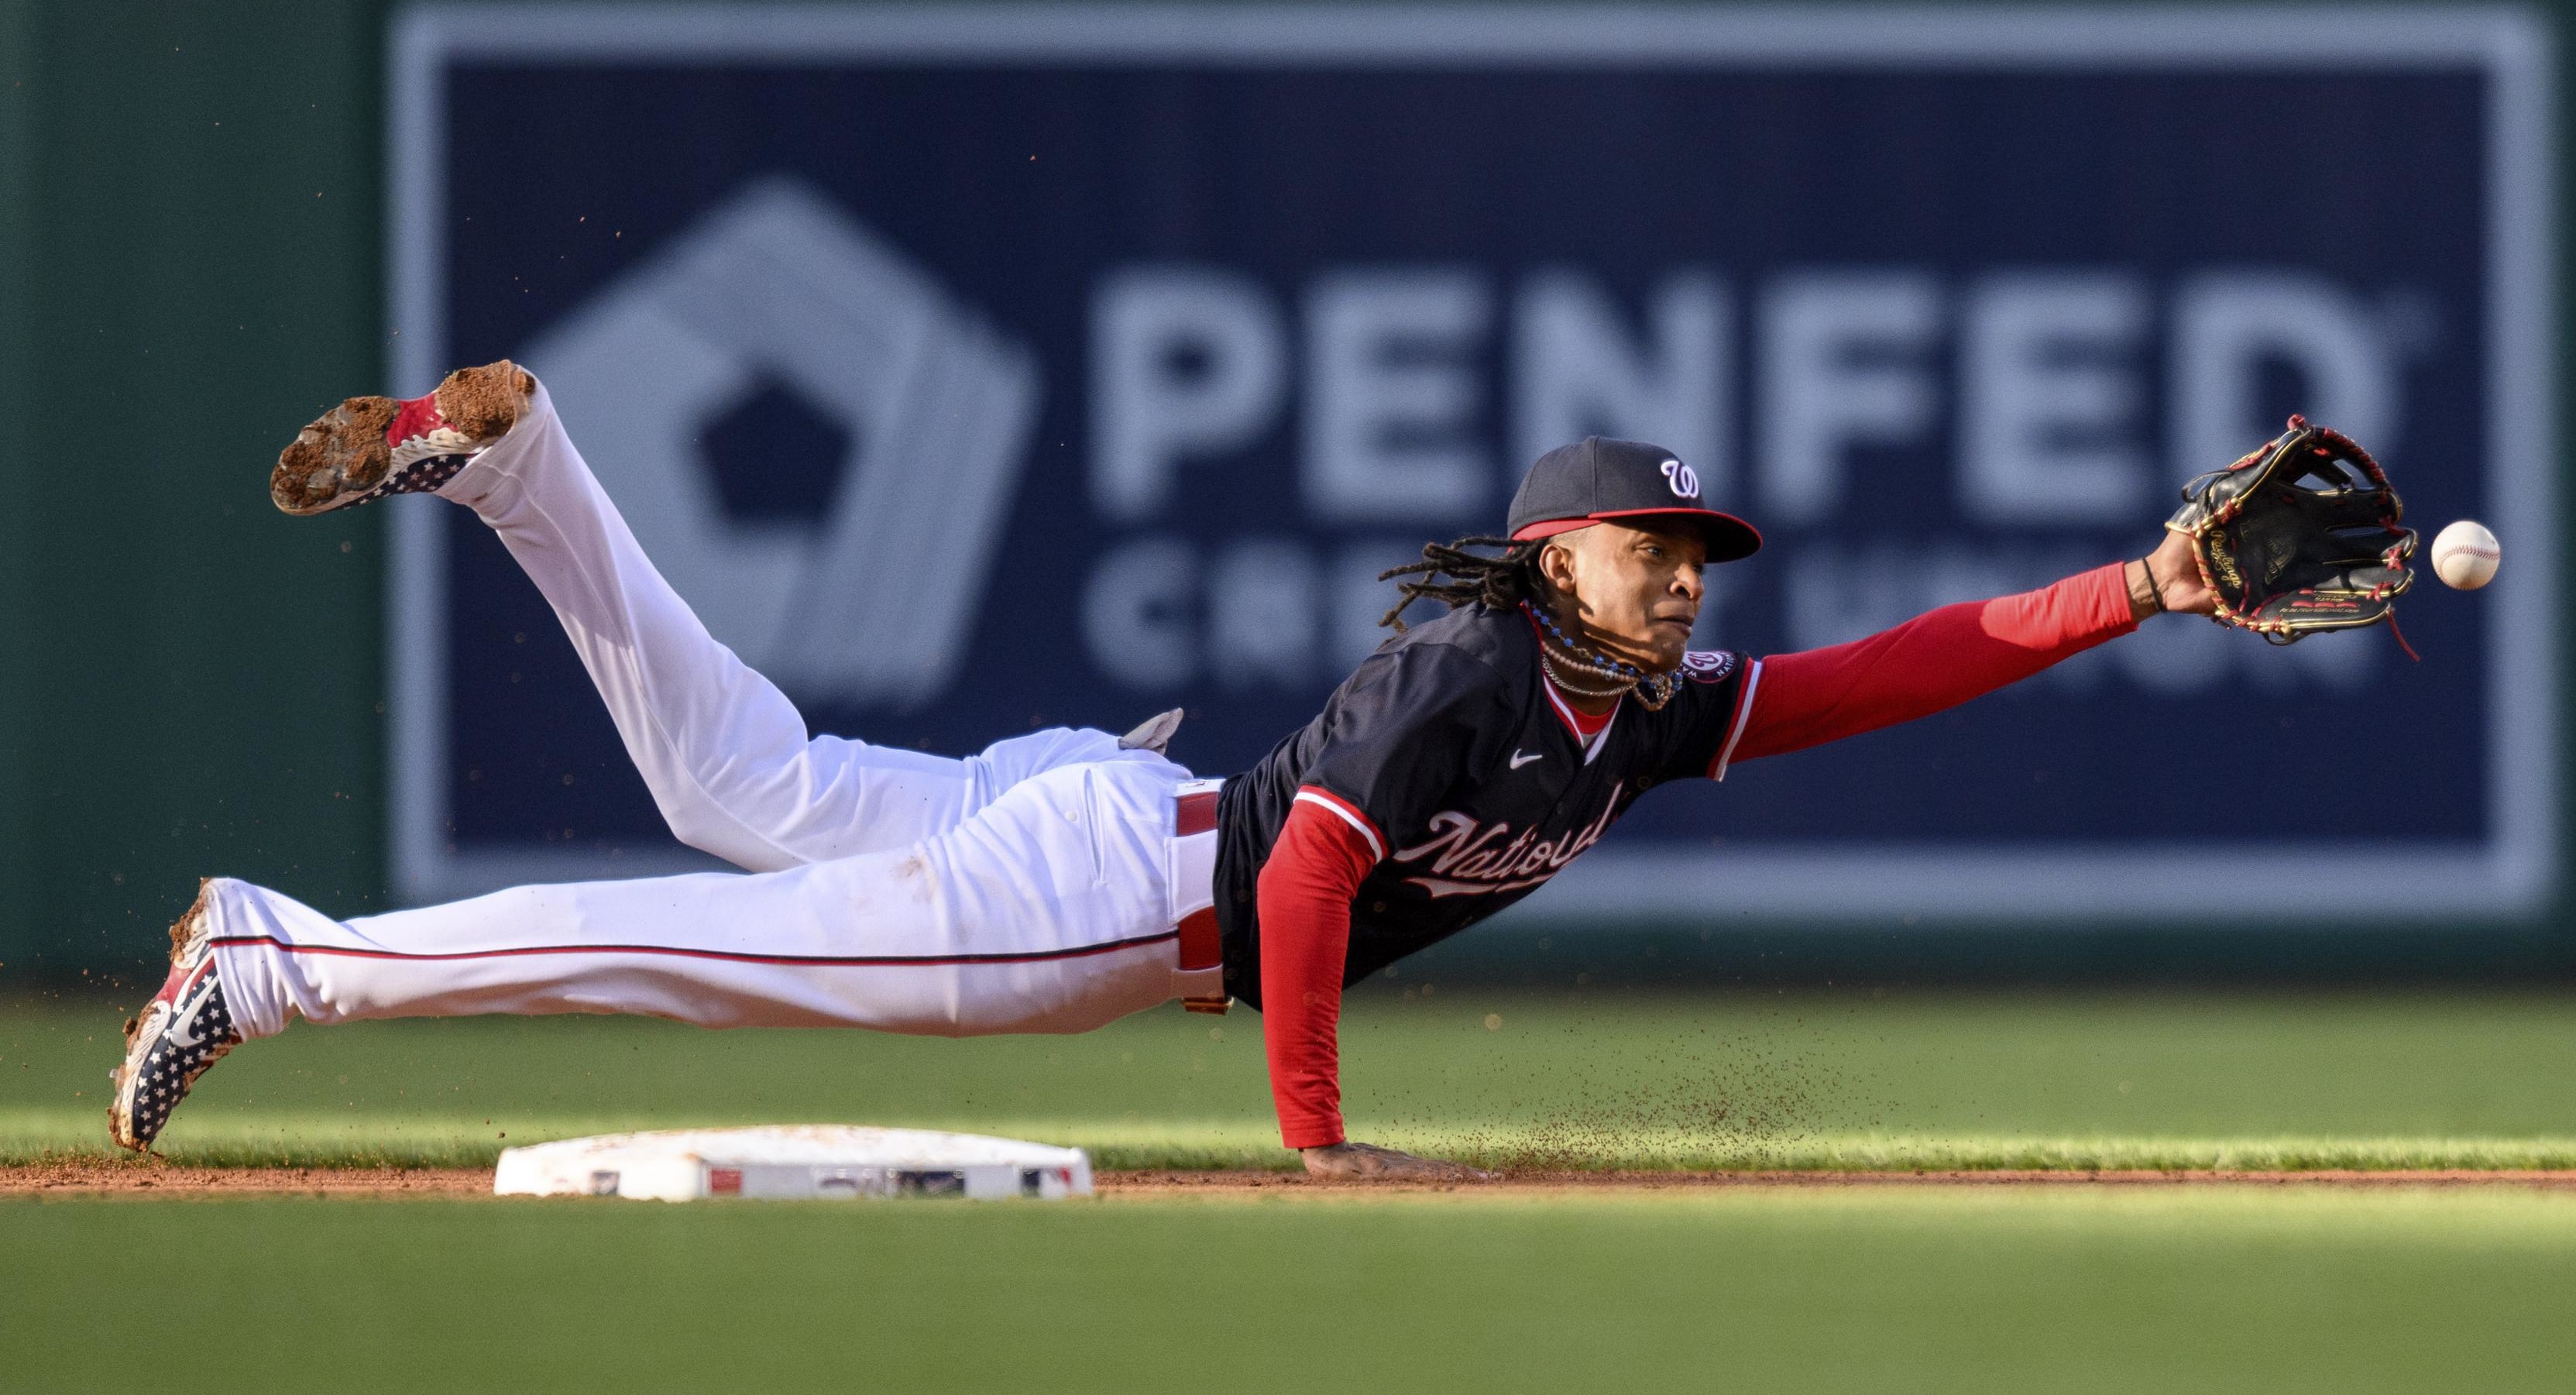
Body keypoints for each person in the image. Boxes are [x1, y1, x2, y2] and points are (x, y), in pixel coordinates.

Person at [108, 361, 2214, 1176]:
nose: (1685, 578)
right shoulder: (1473, 662)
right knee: (702, 925)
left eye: (1697, 552)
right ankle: (280, 960)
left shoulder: (1642, 708)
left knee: (736, 775)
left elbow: (1895, 667)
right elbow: (1307, 882)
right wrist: (1317, 1139)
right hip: (1106, 901)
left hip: (1106, 817)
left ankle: (529, 472)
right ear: (1557, 543)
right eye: (1652, 546)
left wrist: (2139, 583)